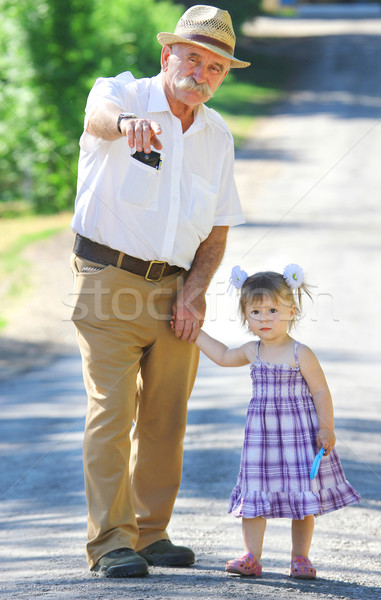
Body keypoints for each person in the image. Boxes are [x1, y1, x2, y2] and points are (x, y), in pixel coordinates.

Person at [69, 5, 250, 578]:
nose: (202, 72)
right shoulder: (122, 95)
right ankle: (110, 544)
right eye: (193, 57)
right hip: (108, 280)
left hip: (177, 291)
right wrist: (125, 127)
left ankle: (150, 533)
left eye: (215, 66)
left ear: (223, 77)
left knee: (167, 419)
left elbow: (217, 232)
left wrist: (194, 292)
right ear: (167, 54)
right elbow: (100, 116)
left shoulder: (217, 136)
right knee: (112, 411)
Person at [189, 264, 361, 579]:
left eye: (272, 310)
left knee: (302, 497)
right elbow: (223, 355)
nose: (265, 318)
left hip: (299, 435)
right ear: (246, 317)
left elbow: (321, 391)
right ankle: (251, 556)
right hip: (262, 438)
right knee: (254, 494)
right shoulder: (252, 351)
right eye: (256, 312)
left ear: (291, 312)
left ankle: (300, 558)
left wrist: (326, 427)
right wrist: (194, 331)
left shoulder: (300, 353)